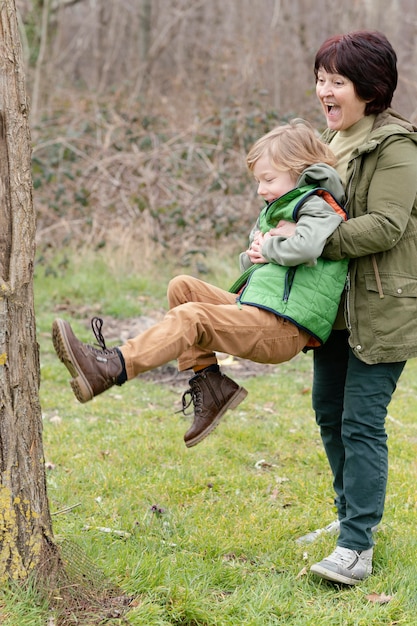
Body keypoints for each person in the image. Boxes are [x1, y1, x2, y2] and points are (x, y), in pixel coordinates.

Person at [52, 119, 347, 450]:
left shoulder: (318, 204)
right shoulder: (278, 207)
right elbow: (259, 263)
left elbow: (307, 248)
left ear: (299, 170)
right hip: (263, 306)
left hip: (285, 326)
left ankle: (111, 366)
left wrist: (269, 248)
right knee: (182, 288)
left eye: (268, 180)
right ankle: (210, 385)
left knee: (192, 317)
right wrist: (255, 253)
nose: (260, 189)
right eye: (257, 181)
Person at [293, 31, 417, 586]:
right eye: (320, 79)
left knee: (361, 423)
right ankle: (350, 521)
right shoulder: (331, 142)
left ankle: (356, 548)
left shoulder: (396, 146)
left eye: (336, 81)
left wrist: (310, 240)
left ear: (369, 88)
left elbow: (387, 226)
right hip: (335, 308)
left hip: (385, 306)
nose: (324, 90)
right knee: (328, 413)